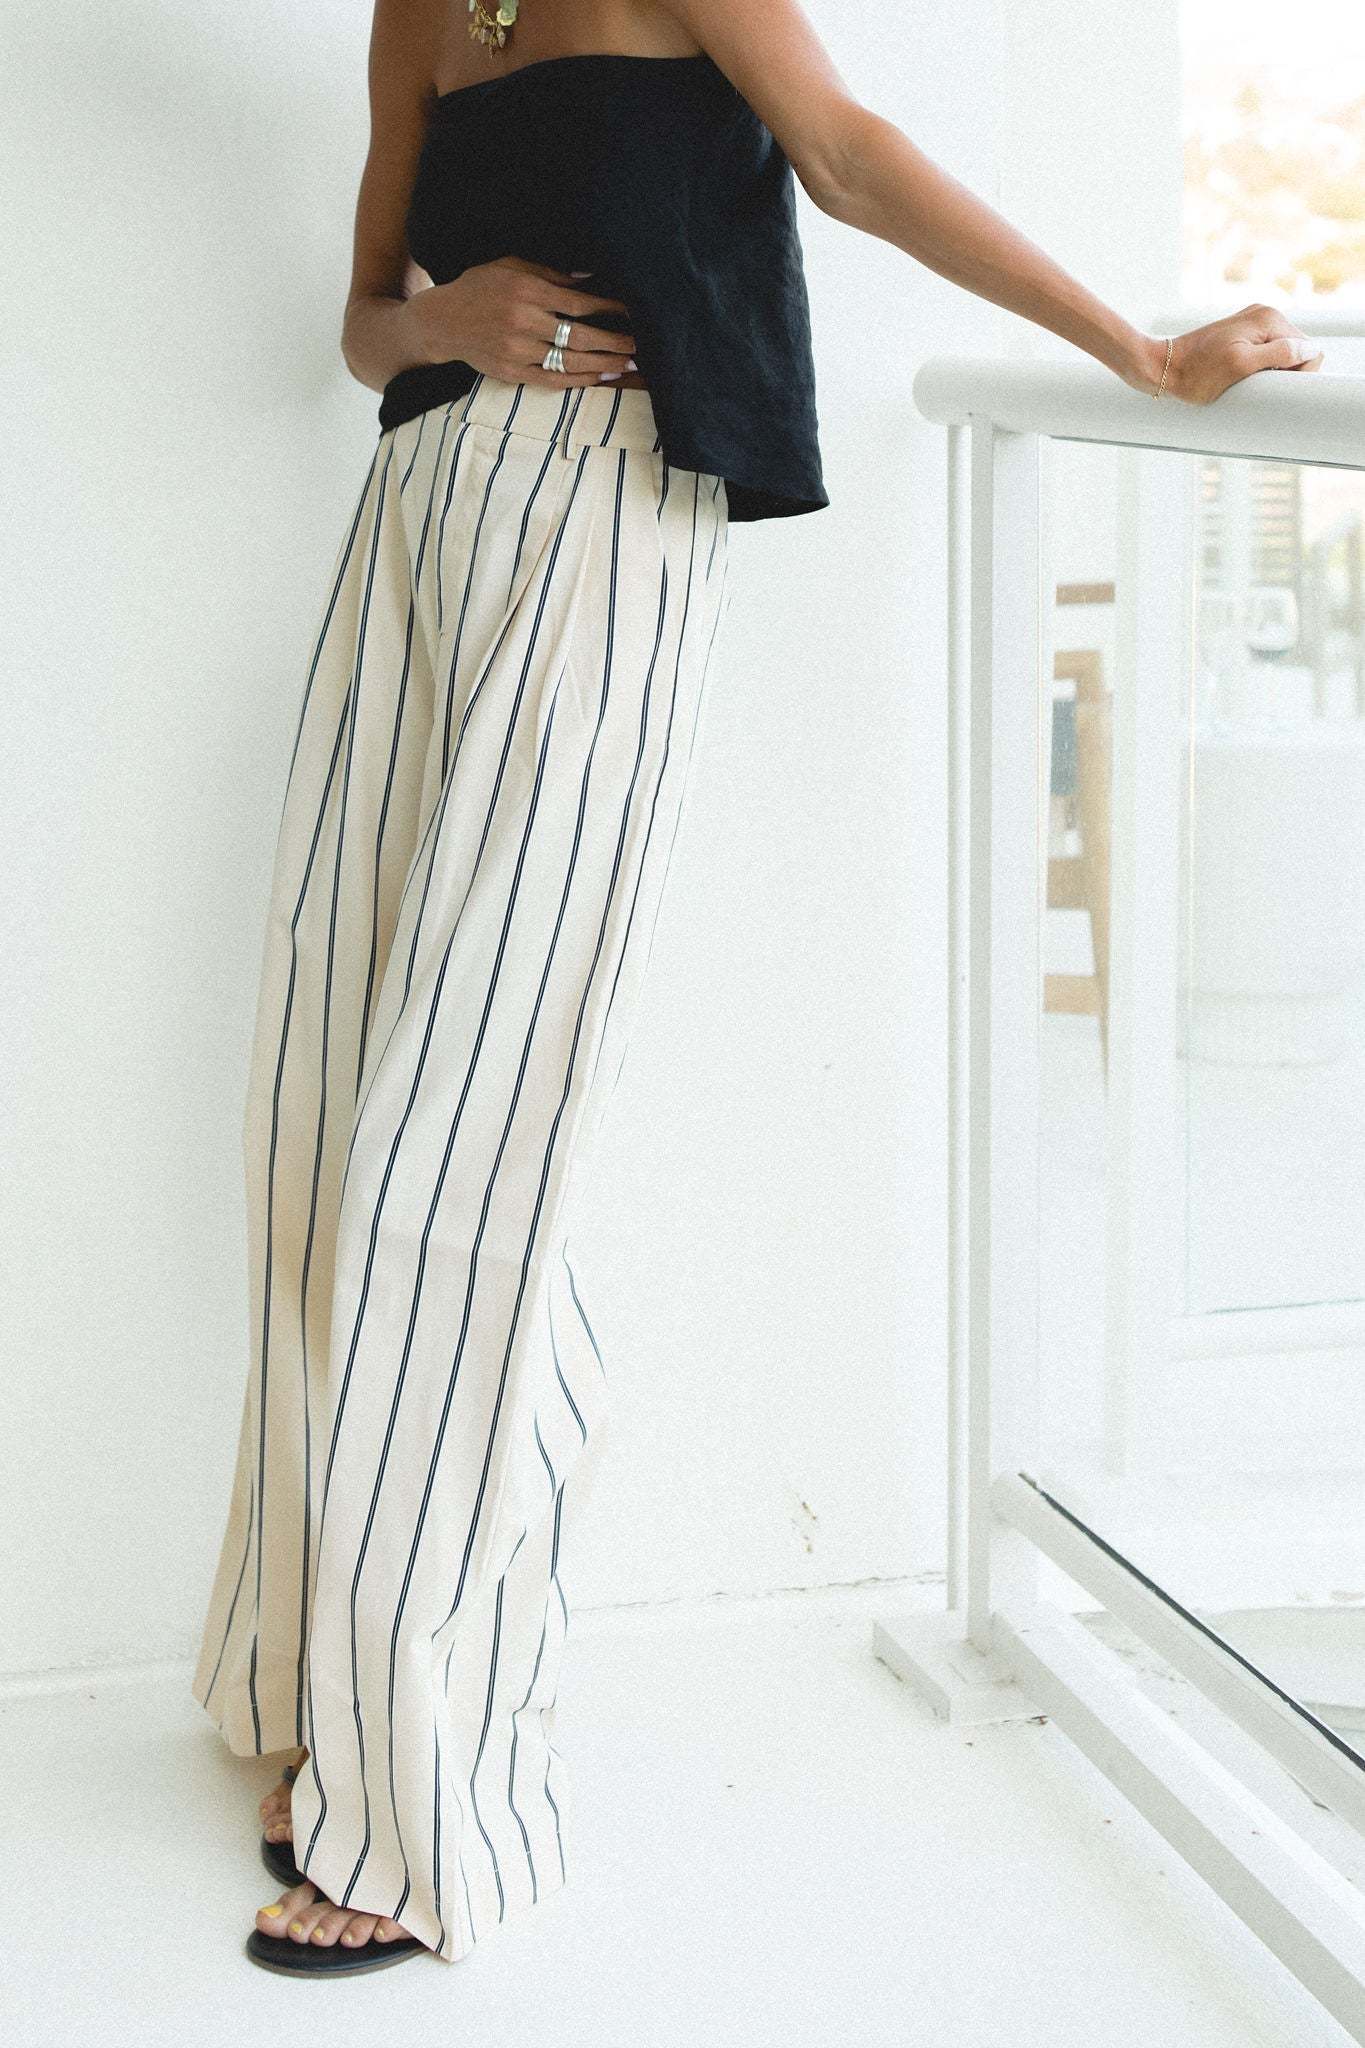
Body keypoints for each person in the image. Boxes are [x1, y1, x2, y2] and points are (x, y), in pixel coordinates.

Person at [191, 0, 1323, 1979]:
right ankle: (310, 1685)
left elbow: (850, 157)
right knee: (315, 1123)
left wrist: (1136, 353)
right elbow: (364, 322)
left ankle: (432, 1799)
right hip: (414, 527)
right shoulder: (415, 11)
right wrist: (438, 322)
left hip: (605, 520)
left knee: (454, 1151)